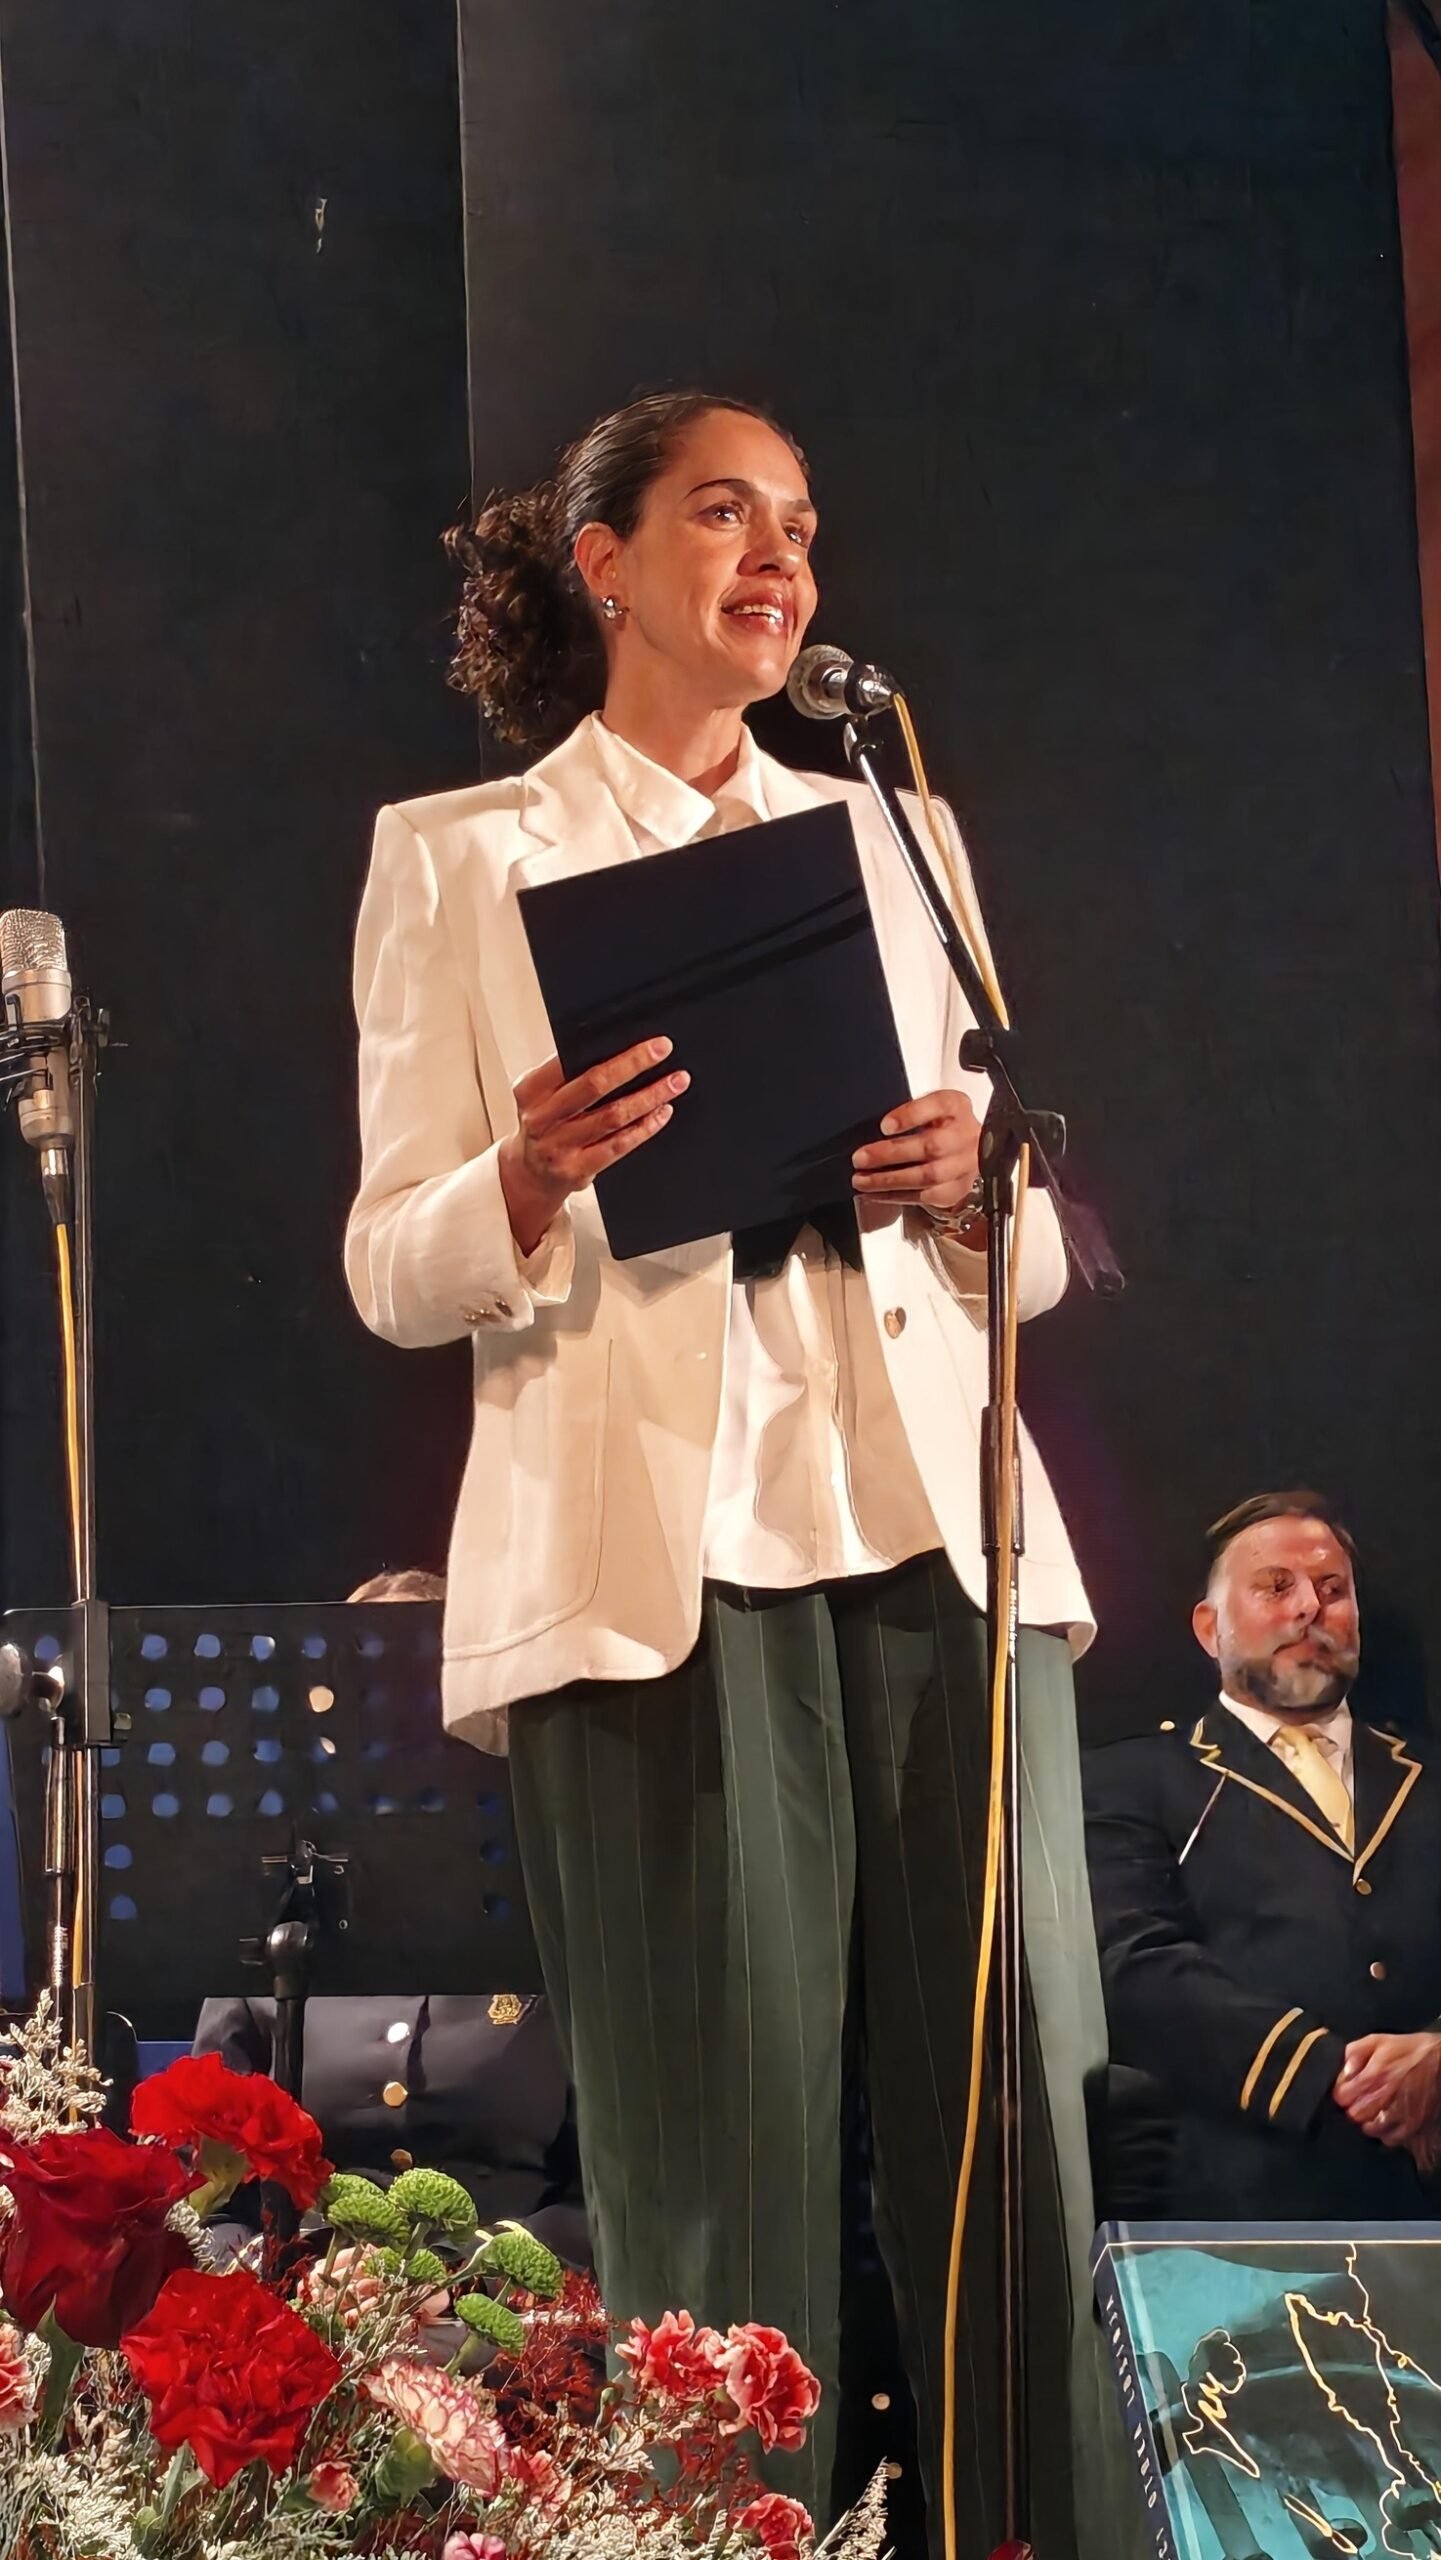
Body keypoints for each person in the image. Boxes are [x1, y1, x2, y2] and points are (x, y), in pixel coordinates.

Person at [343, 389, 1113, 2555]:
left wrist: (974, 1183)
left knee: (1018, 2153)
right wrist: (525, 1173)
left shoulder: (896, 832)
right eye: (721, 513)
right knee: (715, 2185)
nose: (778, 556)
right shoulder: (462, 856)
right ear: (602, 561)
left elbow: (1034, 1254)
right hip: (658, 1582)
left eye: (798, 521)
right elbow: (389, 1261)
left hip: (946, 1546)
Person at [192, 1572, 589, 2268]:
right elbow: (208, 2205)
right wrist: (267, 2276)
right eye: (364, 1695)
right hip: (303, 2305)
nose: (394, 1729)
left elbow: (613, 2200)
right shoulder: (275, 1924)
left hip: (506, 2312)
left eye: (417, 1690)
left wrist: (466, 2269)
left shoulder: (563, 1917)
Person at [1084, 1489, 1441, 2220]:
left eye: (1332, 1589)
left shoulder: (1429, 1774)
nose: (1310, 1607)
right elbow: (1133, 1966)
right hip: (1242, 2211)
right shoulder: (1132, 1780)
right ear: (1208, 1628)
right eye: (1276, 1586)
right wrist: (1336, 2078)